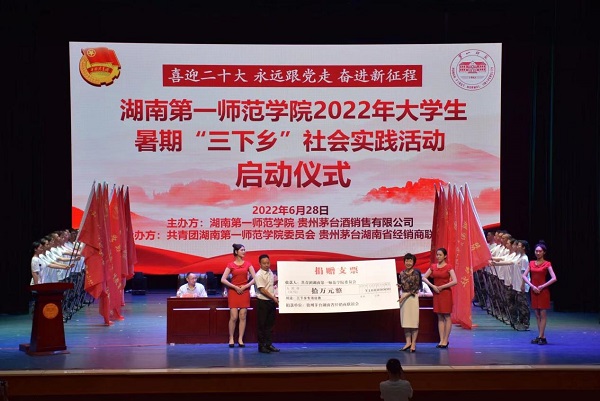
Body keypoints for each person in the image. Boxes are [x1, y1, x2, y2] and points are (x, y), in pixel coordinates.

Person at [220, 243, 256, 348]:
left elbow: (255, 278)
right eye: (242, 250)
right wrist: (235, 287)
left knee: (243, 315)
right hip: (234, 291)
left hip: (244, 291)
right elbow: (223, 279)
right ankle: (231, 338)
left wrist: (246, 286)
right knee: (234, 316)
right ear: (236, 252)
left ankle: (240, 338)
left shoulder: (248, 264)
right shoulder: (231, 265)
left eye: (244, 250)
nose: (244, 252)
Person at [522, 240, 557, 345]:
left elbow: (554, 278)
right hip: (534, 290)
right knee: (537, 314)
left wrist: (542, 286)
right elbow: (524, 275)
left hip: (543, 291)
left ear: (544, 252)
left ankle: (541, 336)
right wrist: (532, 285)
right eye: (536, 251)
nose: (537, 253)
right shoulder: (531, 263)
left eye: (540, 251)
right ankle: (541, 336)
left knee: (542, 314)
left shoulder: (547, 264)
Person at [422, 247, 457, 348]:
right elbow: (424, 277)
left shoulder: (449, 267)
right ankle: (441, 340)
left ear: (445, 256)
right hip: (437, 293)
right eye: (437, 255)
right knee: (440, 316)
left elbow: (455, 281)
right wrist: (433, 286)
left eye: (440, 255)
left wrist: (442, 287)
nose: (438, 257)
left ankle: (446, 339)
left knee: (447, 316)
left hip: (445, 293)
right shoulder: (433, 266)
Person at [255, 254, 279, 353]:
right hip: (263, 302)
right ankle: (261, 346)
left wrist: (277, 281)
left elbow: (270, 285)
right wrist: (273, 298)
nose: (266, 265)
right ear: (260, 264)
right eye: (264, 263)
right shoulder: (259, 275)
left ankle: (268, 344)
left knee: (270, 325)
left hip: (271, 302)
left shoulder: (270, 272)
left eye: (268, 263)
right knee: (262, 325)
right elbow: (262, 290)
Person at [397, 253, 421, 353]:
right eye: (407, 260)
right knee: (406, 322)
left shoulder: (416, 273)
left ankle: (413, 343)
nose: (408, 263)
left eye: (410, 261)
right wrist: (399, 287)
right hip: (403, 298)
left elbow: (415, 288)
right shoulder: (401, 273)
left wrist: (403, 297)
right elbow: (402, 285)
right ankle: (408, 342)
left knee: (414, 322)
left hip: (412, 298)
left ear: (413, 262)